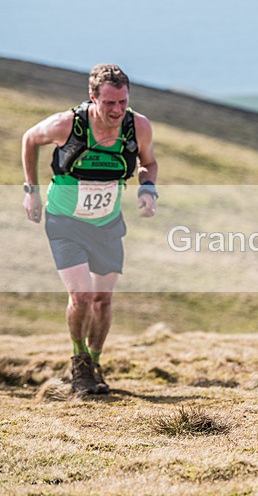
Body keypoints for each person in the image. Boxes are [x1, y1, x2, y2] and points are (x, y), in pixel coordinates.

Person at [21, 64, 158, 395]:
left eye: (123, 102)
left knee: (103, 300)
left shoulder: (137, 126)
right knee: (81, 297)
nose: (117, 110)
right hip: (66, 222)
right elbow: (29, 139)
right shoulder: (67, 124)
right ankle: (79, 361)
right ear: (92, 97)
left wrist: (147, 187)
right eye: (109, 103)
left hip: (107, 224)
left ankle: (95, 362)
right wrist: (31, 190)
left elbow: (147, 162)